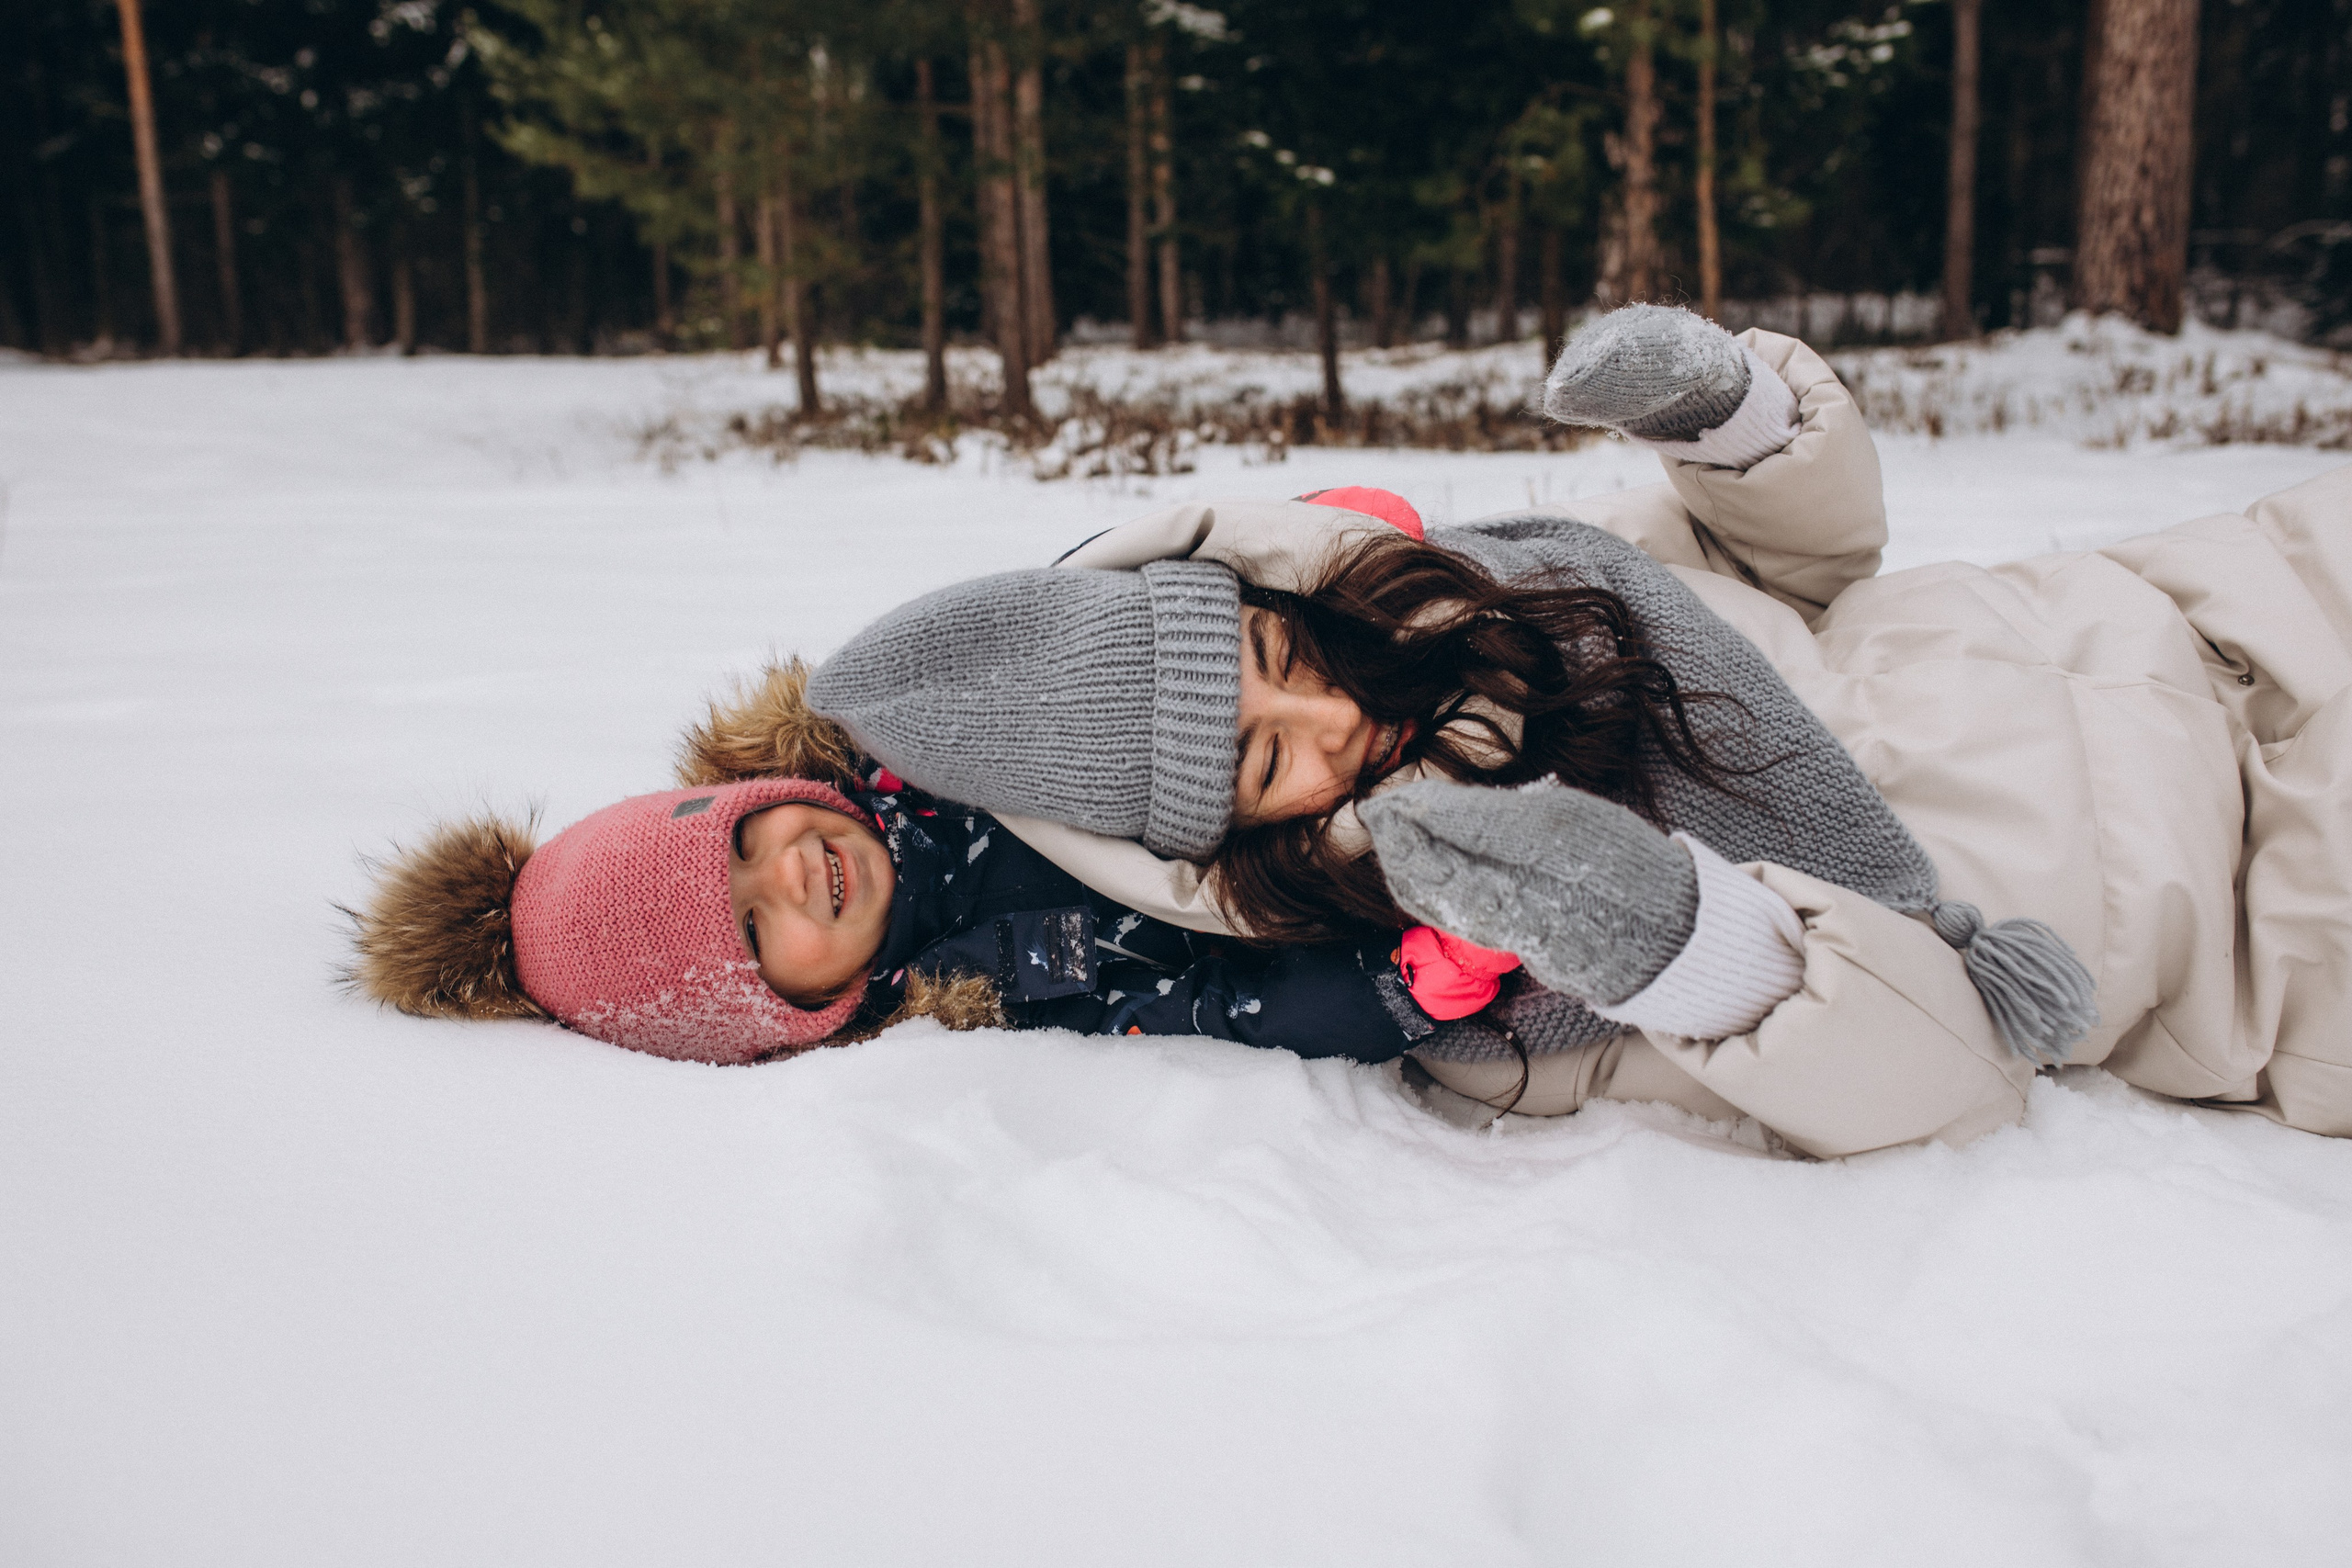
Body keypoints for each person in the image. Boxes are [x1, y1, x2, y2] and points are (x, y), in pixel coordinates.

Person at [807, 305, 2352, 1155]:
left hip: (2232, 600)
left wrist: (1733, 426)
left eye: (1281, 654)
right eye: (1266, 761)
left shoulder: (1516, 596)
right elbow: (1938, 1075)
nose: (1336, 716)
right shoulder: (1494, 1002)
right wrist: (1681, 940)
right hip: (2277, 909)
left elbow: (1800, 570)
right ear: (1220, 858)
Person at [342, 661, 1441, 1065]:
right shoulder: (982, 983)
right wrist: (1395, 990)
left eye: (741, 844)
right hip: (1361, 890)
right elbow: (1215, 1006)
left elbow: (1090, 627)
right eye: (757, 932)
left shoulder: (925, 730)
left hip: (1309, 716)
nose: (784, 877)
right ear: (800, 1013)